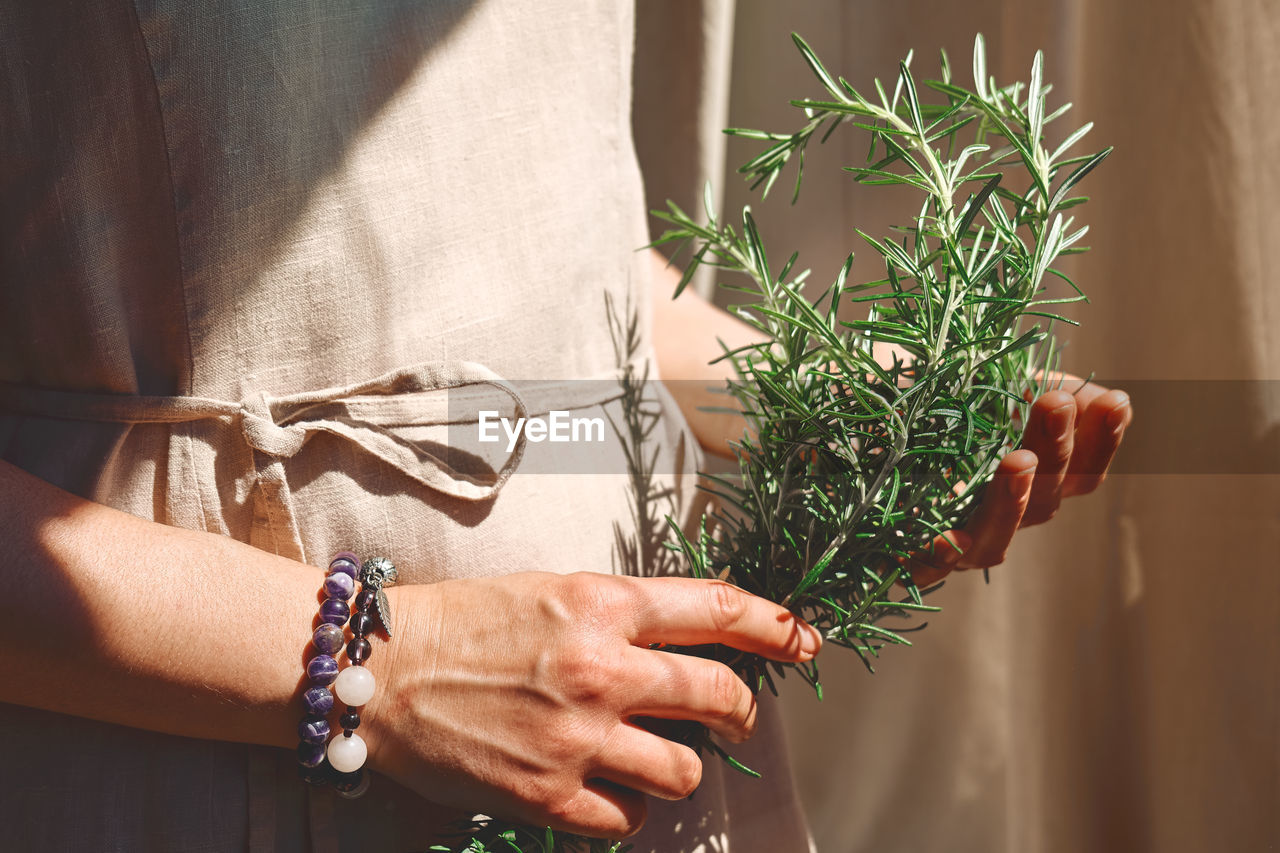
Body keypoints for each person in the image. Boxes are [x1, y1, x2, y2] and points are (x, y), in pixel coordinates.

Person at [0, 1, 1131, 850]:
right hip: (197, 753)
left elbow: (551, 279)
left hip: (623, 749)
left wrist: (819, 402)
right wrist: (385, 671)